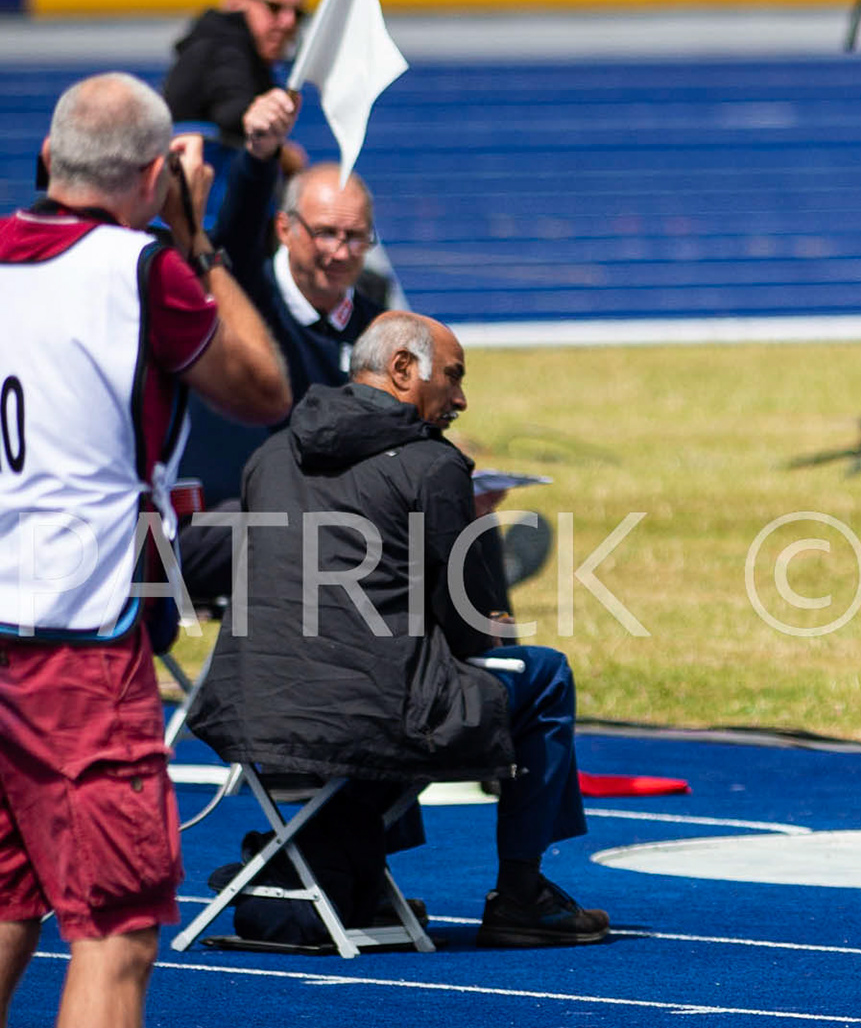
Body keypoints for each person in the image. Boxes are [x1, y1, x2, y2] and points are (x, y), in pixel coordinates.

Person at [0, 72, 290, 1028]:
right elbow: (259, 385)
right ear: (138, 175)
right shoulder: (141, 270)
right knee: (112, 928)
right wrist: (194, 231)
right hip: (75, 634)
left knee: (6, 915)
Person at [188, 312, 609, 947]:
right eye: (455, 377)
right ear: (404, 371)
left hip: (251, 714)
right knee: (540, 675)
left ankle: (353, 869)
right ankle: (521, 892)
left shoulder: (270, 455)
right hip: (370, 720)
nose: (462, 399)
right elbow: (469, 629)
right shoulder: (431, 464)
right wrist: (472, 528)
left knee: (384, 670)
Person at [177, 87, 382, 596]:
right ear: (286, 229)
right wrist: (260, 156)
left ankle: (487, 668)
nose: (339, 252)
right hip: (239, 515)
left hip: (332, 513)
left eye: (356, 237)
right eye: (325, 233)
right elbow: (236, 232)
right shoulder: (249, 295)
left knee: (452, 512)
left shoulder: (375, 327)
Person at [162, 0, 307, 149]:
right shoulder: (221, 46)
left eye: (298, 13)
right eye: (274, 7)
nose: (288, 22)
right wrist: (283, 154)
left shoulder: (245, 53)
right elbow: (234, 111)